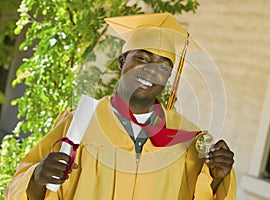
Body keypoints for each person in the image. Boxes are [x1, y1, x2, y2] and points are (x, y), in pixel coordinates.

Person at [5, 13, 236, 199]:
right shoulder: (77, 124)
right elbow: (19, 189)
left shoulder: (189, 140)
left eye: (163, 67)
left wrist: (216, 179)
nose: (151, 71)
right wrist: (37, 176)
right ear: (122, 61)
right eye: (142, 59)